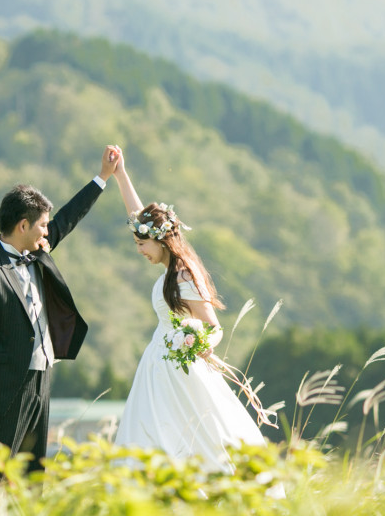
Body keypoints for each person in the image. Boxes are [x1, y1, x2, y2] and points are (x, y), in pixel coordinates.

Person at [0, 145, 121, 489]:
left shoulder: (35, 248)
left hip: (41, 376)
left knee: (33, 474)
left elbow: (67, 220)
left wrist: (103, 177)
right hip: (5, 386)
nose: (47, 232)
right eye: (41, 226)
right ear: (22, 225)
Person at [110, 147, 272, 472]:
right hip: (157, 367)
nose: (139, 250)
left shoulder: (183, 274)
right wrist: (120, 174)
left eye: (142, 243)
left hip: (177, 367)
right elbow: (138, 216)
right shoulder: (170, 271)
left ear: (161, 240)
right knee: (154, 432)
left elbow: (212, 327)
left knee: (189, 435)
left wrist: (193, 345)